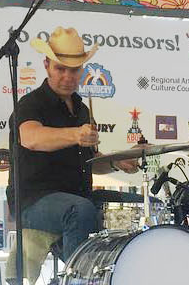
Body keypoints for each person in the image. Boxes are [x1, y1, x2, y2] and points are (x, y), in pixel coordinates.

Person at [8, 27, 135, 261]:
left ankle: (121, 272)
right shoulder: (30, 104)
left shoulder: (82, 109)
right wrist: (76, 134)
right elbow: (31, 138)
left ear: (82, 70)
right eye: (60, 69)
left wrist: (116, 163)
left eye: (74, 70)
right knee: (80, 210)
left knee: (140, 205)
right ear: (46, 65)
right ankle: (78, 278)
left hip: (79, 196)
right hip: (33, 201)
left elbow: (89, 162)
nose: (68, 77)